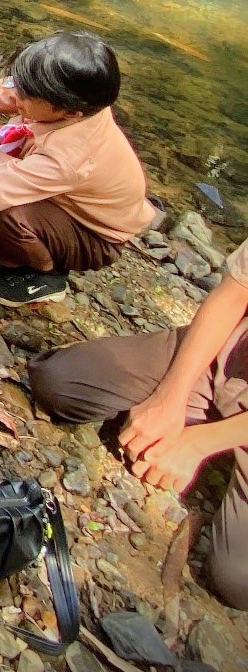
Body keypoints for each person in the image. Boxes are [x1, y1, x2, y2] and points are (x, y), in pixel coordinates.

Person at [28, 238, 248, 610]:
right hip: (231, 359)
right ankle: (198, 412)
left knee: (237, 580)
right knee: (62, 381)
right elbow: (234, 294)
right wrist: (171, 397)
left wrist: (199, 443)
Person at [0, 31, 155, 305]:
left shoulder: (67, 158)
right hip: (44, 184)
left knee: (9, 211)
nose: (15, 95)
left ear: (70, 112)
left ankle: (40, 273)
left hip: (90, 231)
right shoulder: (53, 90)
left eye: (25, 94)